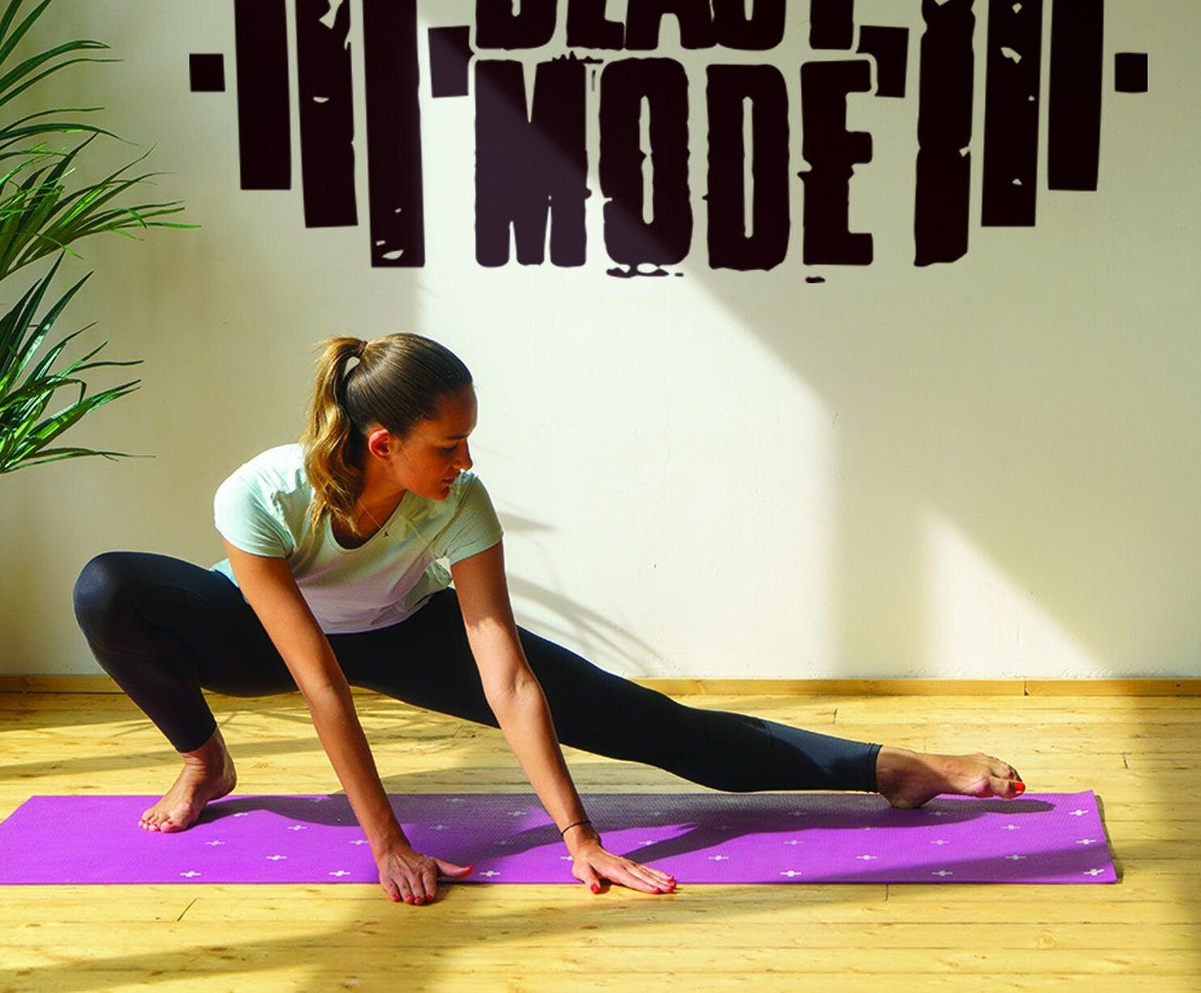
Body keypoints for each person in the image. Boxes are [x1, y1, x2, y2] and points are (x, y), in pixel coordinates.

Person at [73, 332, 1026, 908]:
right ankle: (204, 757)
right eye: (448, 445)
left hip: (405, 630)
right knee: (110, 586)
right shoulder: (263, 494)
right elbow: (319, 680)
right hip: (260, 636)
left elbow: (508, 672)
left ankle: (886, 767)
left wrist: (577, 834)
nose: (466, 459)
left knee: (653, 723)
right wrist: (388, 846)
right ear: (381, 443)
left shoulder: (459, 502)